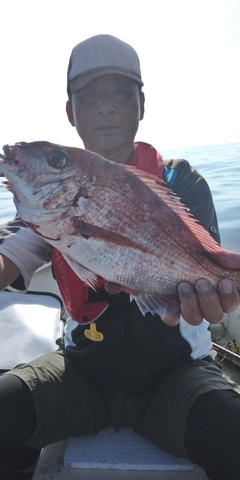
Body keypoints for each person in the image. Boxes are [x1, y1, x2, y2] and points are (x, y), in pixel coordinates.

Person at [0, 34, 239, 480]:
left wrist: (215, 294)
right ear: (70, 112)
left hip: (177, 377)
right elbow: (8, 260)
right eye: (89, 96)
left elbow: (207, 272)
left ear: (141, 104)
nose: (105, 107)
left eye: (119, 93)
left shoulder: (180, 182)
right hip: (81, 375)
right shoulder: (46, 213)